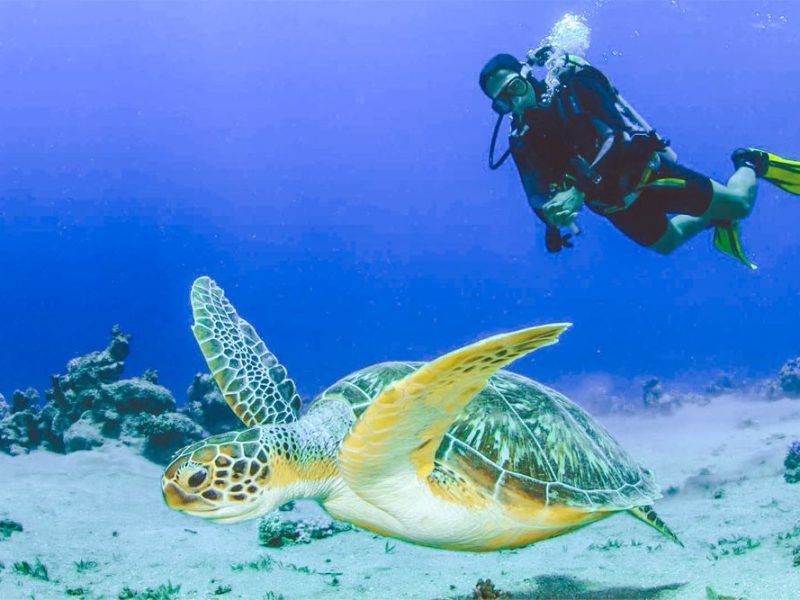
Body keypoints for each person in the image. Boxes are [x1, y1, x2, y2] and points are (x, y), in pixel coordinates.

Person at [479, 48, 800, 268]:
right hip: (615, 206)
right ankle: (714, 216)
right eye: (503, 102)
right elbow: (534, 191)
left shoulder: (573, 87)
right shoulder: (522, 139)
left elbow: (616, 138)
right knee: (668, 243)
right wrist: (551, 220)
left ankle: (750, 162)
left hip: (651, 177)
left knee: (741, 206)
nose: (515, 102)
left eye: (515, 87)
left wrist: (577, 191)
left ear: (527, 75)